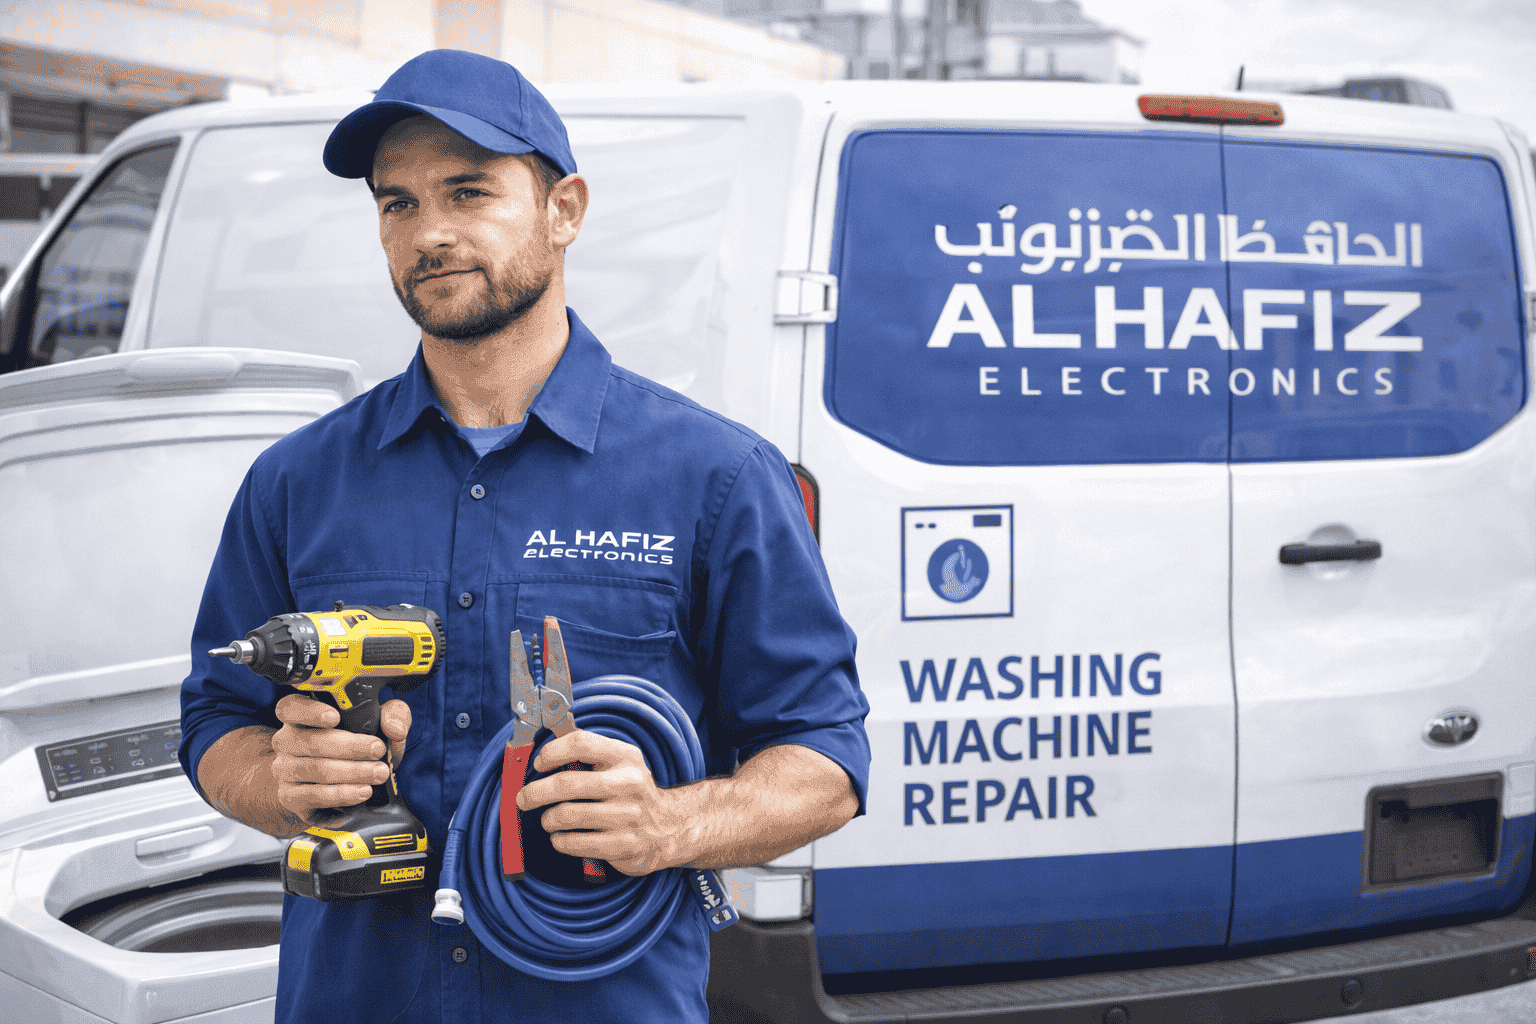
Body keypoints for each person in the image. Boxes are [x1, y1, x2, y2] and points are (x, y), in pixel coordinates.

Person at [178, 49, 870, 1024]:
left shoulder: (712, 477)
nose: (430, 232)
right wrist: (280, 781)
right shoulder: (299, 480)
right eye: (398, 204)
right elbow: (215, 721)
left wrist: (667, 821)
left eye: (468, 191)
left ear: (565, 210)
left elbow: (825, 763)